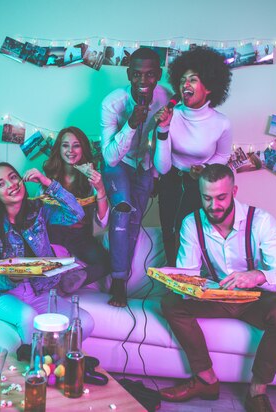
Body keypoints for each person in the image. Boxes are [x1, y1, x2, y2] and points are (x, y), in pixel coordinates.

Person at [159, 164, 276, 412]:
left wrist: (257, 276)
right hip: (216, 297)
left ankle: (257, 391)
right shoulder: (192, 223)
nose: (214, 206)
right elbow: (187, 273)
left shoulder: (261, 221)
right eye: (207, 198)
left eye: (221, 197)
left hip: (256, 299)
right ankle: (206, 379)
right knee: (171, 302)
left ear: (234, 191)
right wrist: (178, 281)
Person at [0, 162, 94, 344]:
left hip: (37, 291)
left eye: (13, 177)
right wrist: (12, 277)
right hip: (0, 295)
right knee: (28, 317)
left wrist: (46, 182)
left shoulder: (39, 210)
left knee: (84, 321)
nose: (11, 184)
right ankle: (36, 367)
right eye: (1, 184)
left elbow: (77, 214)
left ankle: (56, 363)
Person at [100, 47, 170, 307]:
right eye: (137, 75)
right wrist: (130, 124)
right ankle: (118, 285)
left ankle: (123, 279)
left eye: (150, 75)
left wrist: (153, 173)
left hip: (144, 164)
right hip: (118, 162)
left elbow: (165, 140)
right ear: (129, 74)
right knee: (121, 213)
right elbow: (109, 157)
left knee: (134, 221)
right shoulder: (112, 103)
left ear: (159, 75)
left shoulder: (167, 99)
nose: (143, 81)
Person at [153, 46, 233, 267]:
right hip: (170, 180)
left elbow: (223, 154)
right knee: (170, 232)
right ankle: (173, 282)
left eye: (193, 80)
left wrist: (206, 169)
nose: (185, 85)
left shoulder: (221, 123)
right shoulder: (171, 115)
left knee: (197, 234)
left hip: (201, 185)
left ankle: (197, 282)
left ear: (209, 88)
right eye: (182, 80)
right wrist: (163, 129)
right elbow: (162, 168)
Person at [43, 126, 111, 287]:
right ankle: (54, 281)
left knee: (109, 262)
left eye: (76, 145)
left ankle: (74, 280)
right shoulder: (48, 179)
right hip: (54, 232)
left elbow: (103, 222)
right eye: (65, 145)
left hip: (80, 235)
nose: (70, 150)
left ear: (83, 149)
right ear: (59, 148)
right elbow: (43, 214)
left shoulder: (91, 178)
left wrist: (100, 188)